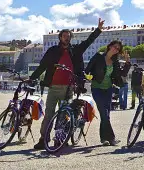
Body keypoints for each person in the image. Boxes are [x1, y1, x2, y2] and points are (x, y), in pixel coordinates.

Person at [29, 18, 104, 150]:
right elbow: (42, 66)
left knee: (64, 115)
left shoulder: (75, 50)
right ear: (60, 37)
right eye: (64, 36)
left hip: (68, 88)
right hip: (53, 87)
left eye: (68, 37)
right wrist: (32, 78)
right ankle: (43, 139)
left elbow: (88, 42)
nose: (66, 38)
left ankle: (60, 138)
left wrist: (98, 30)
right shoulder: (52, 51)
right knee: (49, 114)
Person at [85, 40, 131, 145]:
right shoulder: (98, 56)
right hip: (97, 88)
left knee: (106, 115)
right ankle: (112, 138)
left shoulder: (114, 61)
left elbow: (122, 74)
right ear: (109, 46)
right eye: (115, 47)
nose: (116, 49)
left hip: (108, 89)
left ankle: (103, 139)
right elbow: (87, 69)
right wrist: (87, 77)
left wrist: (127, 62)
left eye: (118, 49)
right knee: (104, 113)